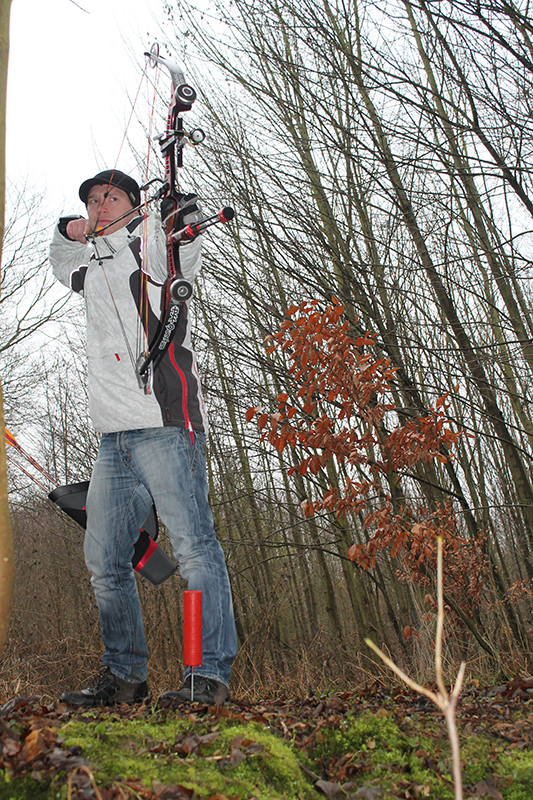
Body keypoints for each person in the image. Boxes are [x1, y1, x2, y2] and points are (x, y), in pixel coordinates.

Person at [49, 169, 237, 707]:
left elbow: (183, 247)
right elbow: (60, 259)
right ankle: (125, 677)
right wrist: (68, 228)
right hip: (113, 438)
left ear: (135, 204)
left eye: (110, 196)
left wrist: (179, 208)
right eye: (91, 199)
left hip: (164, 426)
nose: (98, 205)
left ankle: (206, 675)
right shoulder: (90, 265)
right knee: (105, 559)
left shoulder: (150, 247)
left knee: (195, 549)